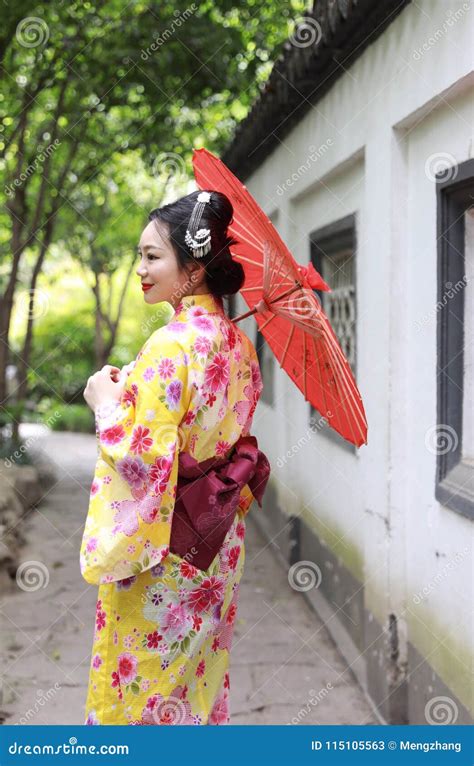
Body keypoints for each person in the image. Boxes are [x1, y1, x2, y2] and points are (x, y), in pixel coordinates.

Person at [80, 189, 269, 725]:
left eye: (152, 256)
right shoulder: (239, 343)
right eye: (140, 256)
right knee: (195, 678)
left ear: (193, 267)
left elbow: (144, 460)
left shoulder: (171, 344)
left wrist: (106, 405)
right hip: (216, 538)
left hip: (165, 540)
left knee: (141, 686)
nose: (140, 268)